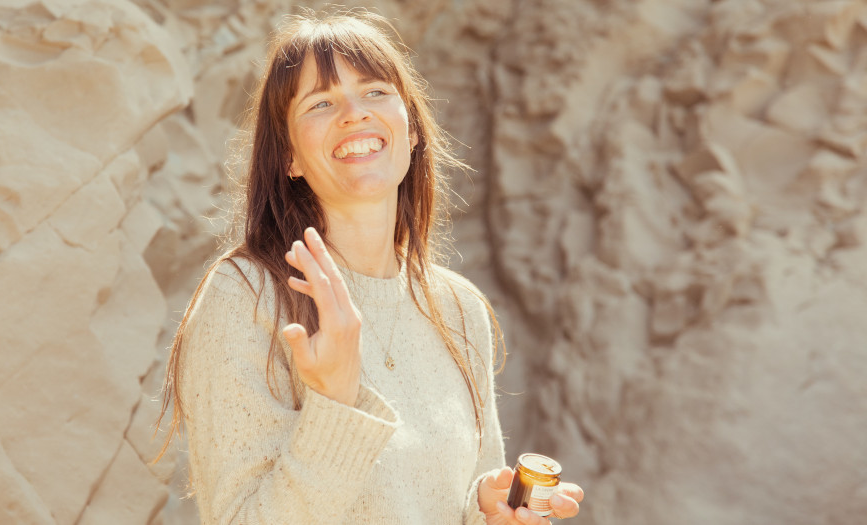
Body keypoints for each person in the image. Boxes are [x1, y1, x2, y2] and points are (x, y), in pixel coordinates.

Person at [156, 10, 584, 525]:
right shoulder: (246, 295)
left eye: (376, 91)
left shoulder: (457, 308)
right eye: (321, 102)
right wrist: (337, 400)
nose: (354, 113)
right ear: (289, 156)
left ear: (412, 130)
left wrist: (484, 511)